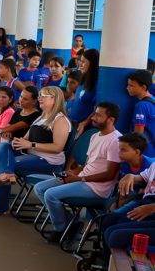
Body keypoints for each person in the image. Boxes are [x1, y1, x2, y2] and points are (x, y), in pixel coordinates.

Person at [32, 102, 121, 243]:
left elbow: (110, 175)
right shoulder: (95, 136)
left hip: (96, 188)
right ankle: (71, 222)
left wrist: (79, 179)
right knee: (40, 188)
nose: (93, 118)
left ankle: (60, 229)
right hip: (82, 179)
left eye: (98, 115)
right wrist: (72, 173)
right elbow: (87, 164)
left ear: (111, 120)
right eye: (95, 114)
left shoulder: (115, 141)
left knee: (50, 194)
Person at [0, 86, 71, 215]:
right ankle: (5, 176)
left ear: (55, 99)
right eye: (40, 96)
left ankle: (0, 203)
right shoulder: (41, 117)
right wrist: (15, 142)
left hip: (49, 162)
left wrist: (30, 144)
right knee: (4, 147)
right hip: (32, 155)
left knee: (5, 165)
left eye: (44, 96)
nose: (40, 98)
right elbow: (24, 139)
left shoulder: (60, 120)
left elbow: (58, 147)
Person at [126, 70, 155, 158]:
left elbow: (138, 133)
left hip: (144, 152)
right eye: (128, 85)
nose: (127, 88)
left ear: (143, 87)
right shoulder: (153, 99)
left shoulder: (141, 106)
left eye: (131, 85)